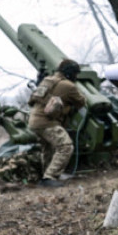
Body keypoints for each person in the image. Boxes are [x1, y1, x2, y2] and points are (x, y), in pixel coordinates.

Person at [28, 59, 86, 187]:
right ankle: (50, 176)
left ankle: (46, 176)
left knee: (48, 148)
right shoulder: (69, 86)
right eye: (75, 74)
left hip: (34, 121)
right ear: (70, 73)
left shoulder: (48, 80)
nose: (76, 77)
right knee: (66, 146)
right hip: (46, 122)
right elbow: (82, 101)